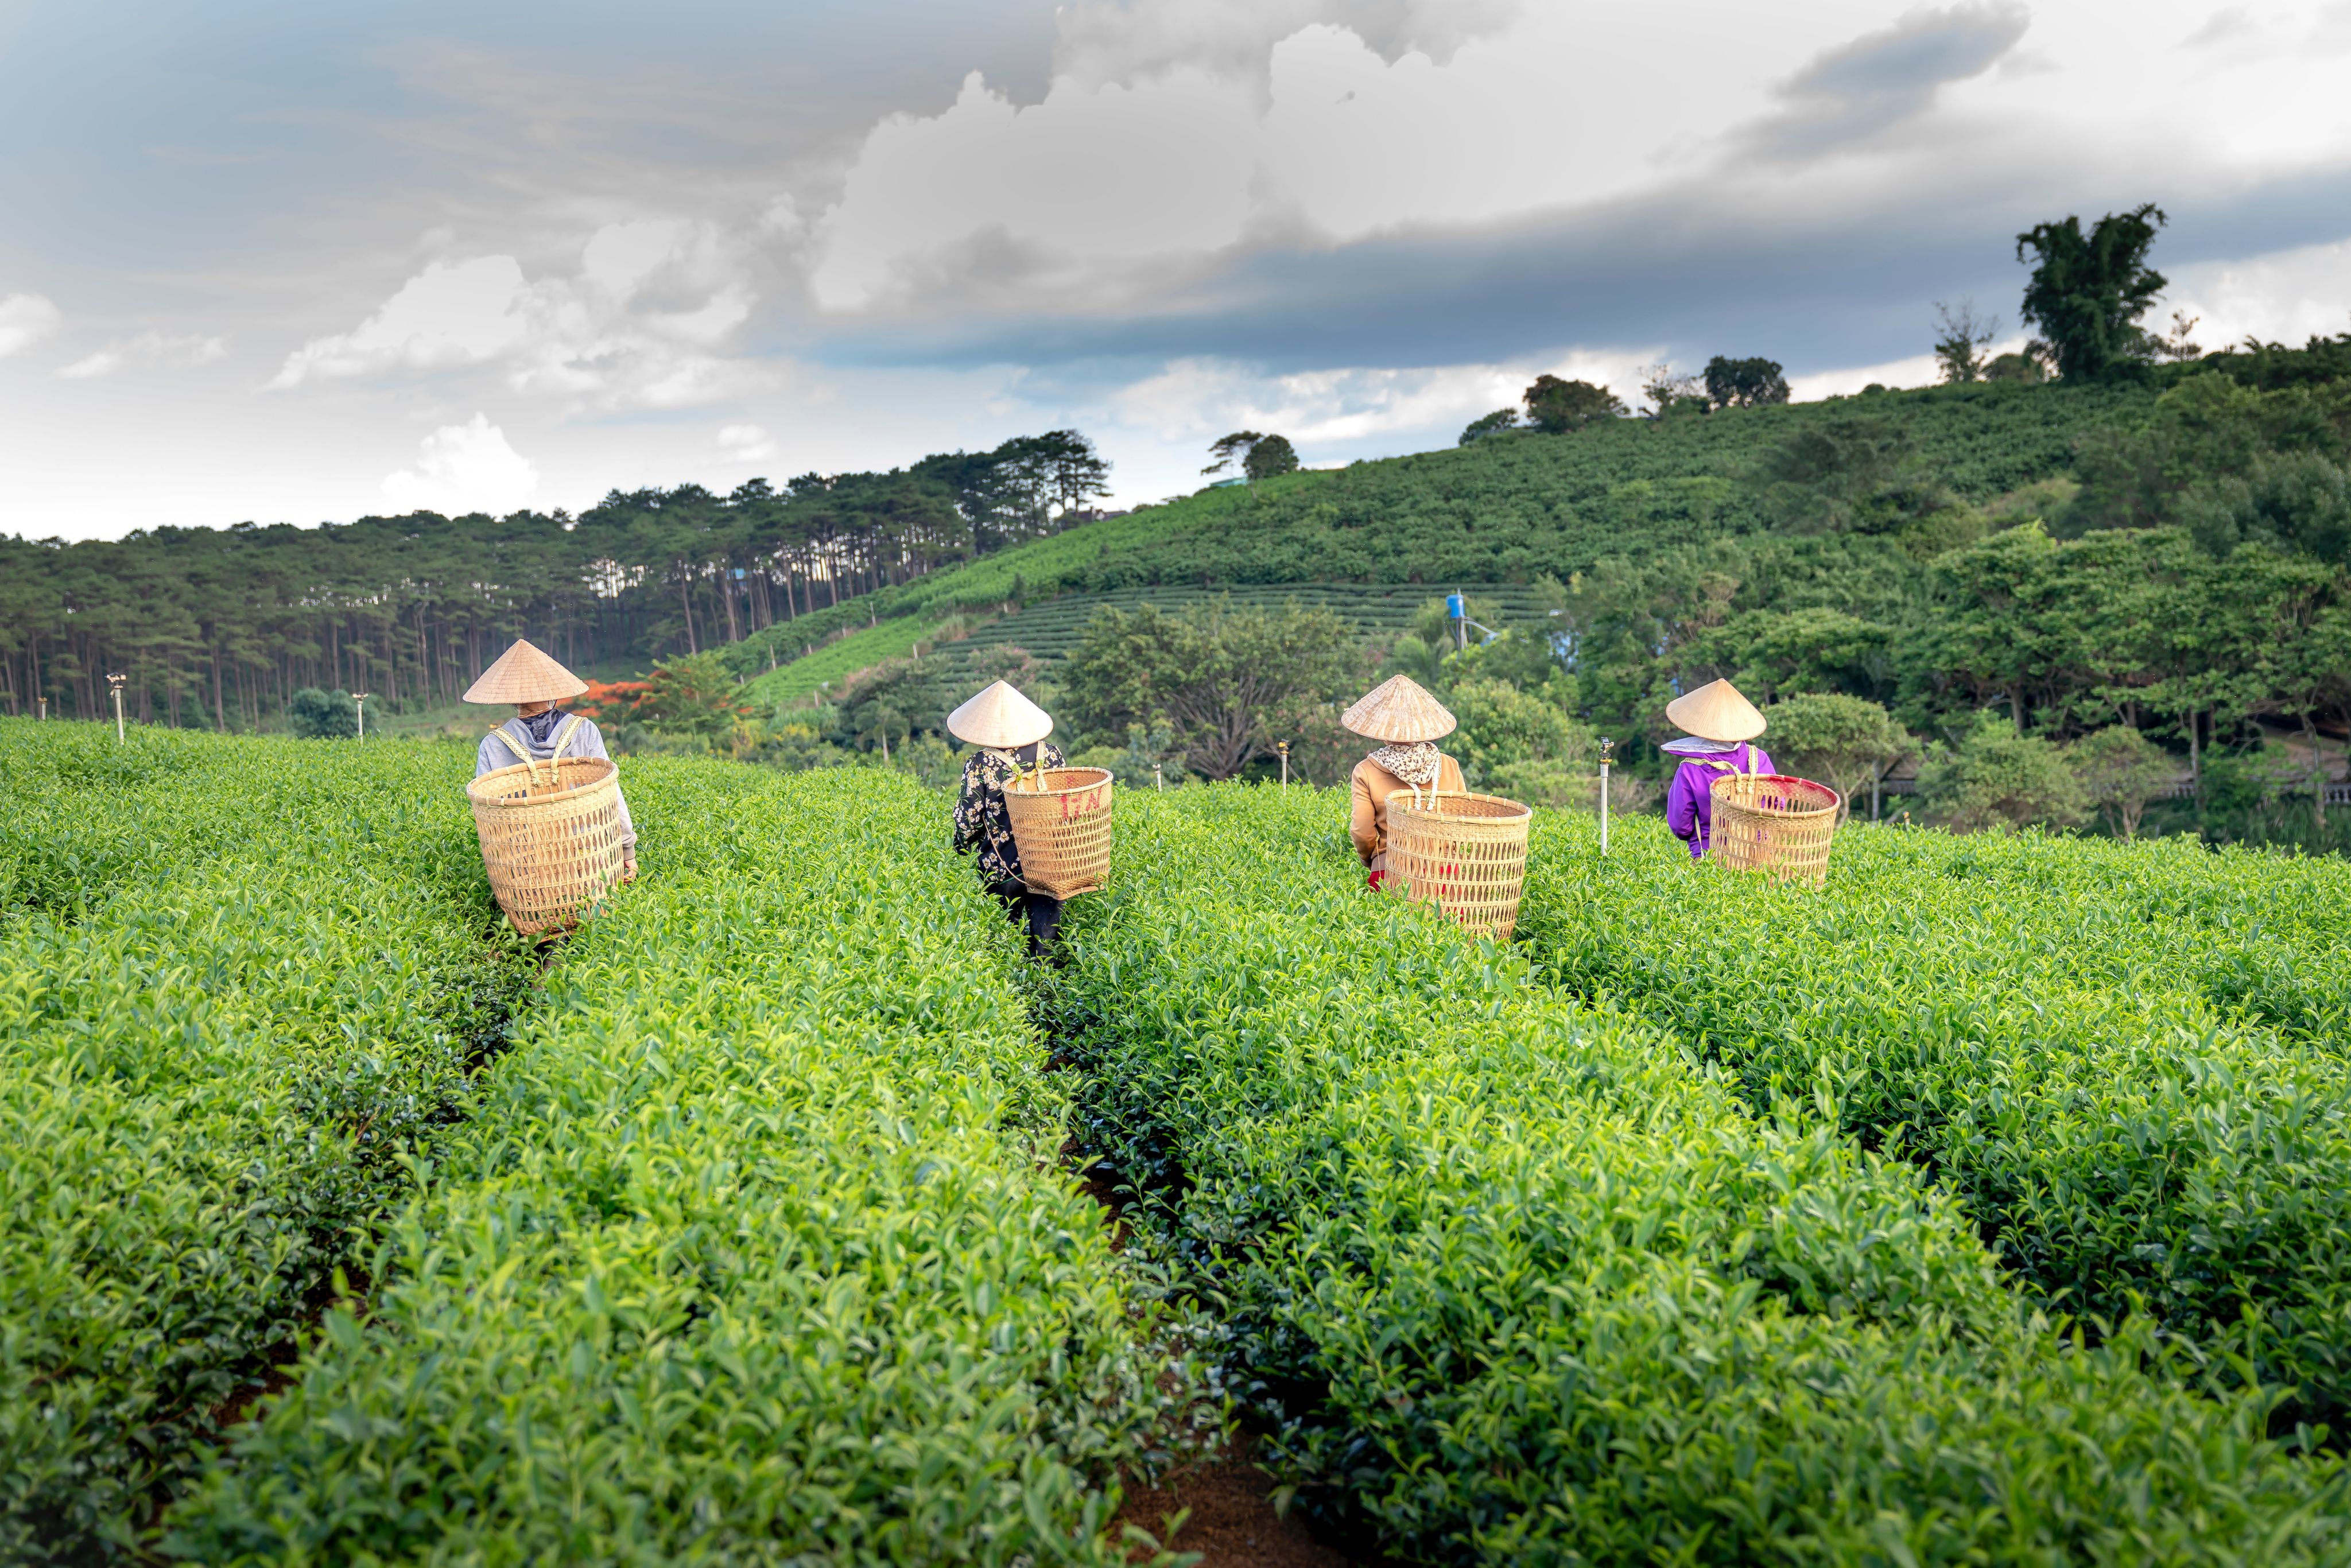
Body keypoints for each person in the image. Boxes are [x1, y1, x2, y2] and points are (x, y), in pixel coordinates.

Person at [464, 638, 638, 882]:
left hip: (525, 866)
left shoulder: (493, 745)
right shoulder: (583, 731)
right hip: (588, 855)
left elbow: (486, 815)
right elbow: (611, 795)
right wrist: (626, 847)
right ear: (553, 692)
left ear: (511, 698)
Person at [948, 679, 1067, 956]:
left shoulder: (981, 762)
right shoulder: (1051, 755)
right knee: (1046, 943)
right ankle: (1046, 992)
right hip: (1049, 862)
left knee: (1005, 944)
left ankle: (1012, 994)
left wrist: (960, 846)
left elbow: (968, 820)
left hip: (1002, 867)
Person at [1341, 674, 1466, 890]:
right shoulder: (1449, 765)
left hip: (1389, 868)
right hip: (1446, 872)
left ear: (1380, 729)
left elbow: (1362, 830)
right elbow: (1464, 821)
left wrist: (1372, 859)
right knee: (1449, 924)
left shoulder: (1366, 771)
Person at [1662, 678, 1774, 861]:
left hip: (1710, 856)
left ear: (1700, 723)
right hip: (1760, 856)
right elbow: (1778, 807)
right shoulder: (1759, 758)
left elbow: (1681, 825)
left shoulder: (1690, 769)